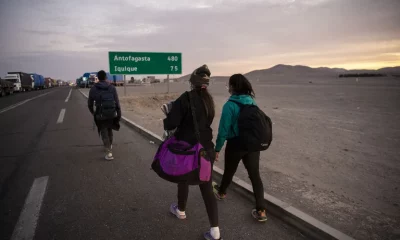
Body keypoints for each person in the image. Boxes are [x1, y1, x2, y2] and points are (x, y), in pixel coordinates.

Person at [163, 65, 222, 240]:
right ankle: (215, 230)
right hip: (206, 150)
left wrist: (168, 112)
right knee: (206, 187)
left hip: (188, 150)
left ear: (192, 81)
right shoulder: (209, 101)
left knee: (183, 177)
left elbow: (171, 123)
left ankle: (181, 210)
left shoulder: (186, 98)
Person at [213, 74, 267, 222]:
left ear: (233, 87)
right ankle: (261, 210)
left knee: (229, 171)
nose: (228, 88)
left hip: (236, 144)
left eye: (229, 85)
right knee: (255, 176)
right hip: (252, 145)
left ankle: (221, 192)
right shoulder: (252, 102)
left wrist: (217, 149)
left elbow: (223, 130)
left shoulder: (229, 105)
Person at [88, 70, 121, 160]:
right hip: (111, 113)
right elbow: (117, 102)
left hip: (101, 114)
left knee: (103, 131)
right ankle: (109, 145)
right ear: (106, 77)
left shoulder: (94, 88)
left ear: (98, 78)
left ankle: (109, 152)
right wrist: (119, 114)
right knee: (109, 129)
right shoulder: (112, 87)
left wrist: (93, 113)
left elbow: (90, 104)